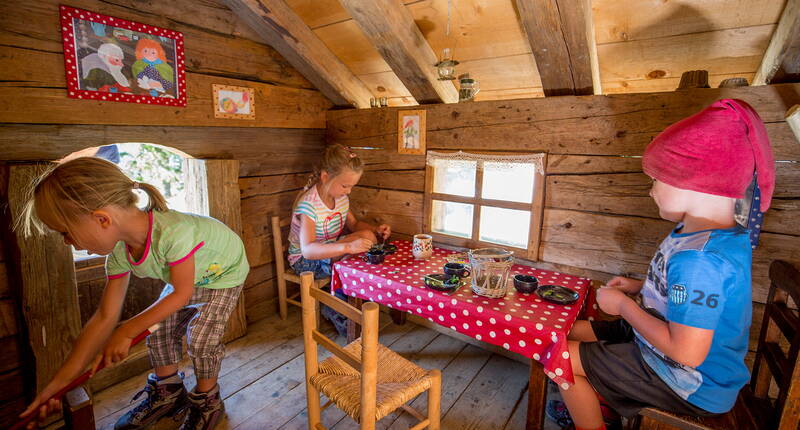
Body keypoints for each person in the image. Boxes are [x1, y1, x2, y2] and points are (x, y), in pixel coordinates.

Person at [549, 99, 775, 430]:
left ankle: (595, 421)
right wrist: (642, 287)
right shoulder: (712, 237)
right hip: (660, 340)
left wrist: (624, 306)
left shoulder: (700, 261)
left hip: (689, 380)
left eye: (657, 179)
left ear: (696, 182)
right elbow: (689, 296)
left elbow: (687, 353)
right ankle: (603, 404)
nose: (652, 191)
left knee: (557, 357)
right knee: (562, 333)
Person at [16, 157, 249, 430]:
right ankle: (168, 391)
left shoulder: (174, 233)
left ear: (101, 219)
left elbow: (181, 294)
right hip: (190, 275)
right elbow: (105, 316)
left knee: (200, 339)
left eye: (65, 232)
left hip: (223, 273)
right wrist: (59, 383)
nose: (68, 241)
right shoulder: (118, 254)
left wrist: (126, 331)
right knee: (158, 331)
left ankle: (208, 399)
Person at [288, 144, 391, 335]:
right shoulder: (308, 206)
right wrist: (347, 246)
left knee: (369, 238)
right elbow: (308, 250)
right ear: (325, 176)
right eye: (345, 185)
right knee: (349, 255)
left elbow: (354, 225)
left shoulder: (341, 198)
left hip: (329, 249)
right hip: (305, 261)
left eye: (352, 186)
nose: (349, 191)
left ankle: (349, 302)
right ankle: (340, 311)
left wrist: (374, 230)